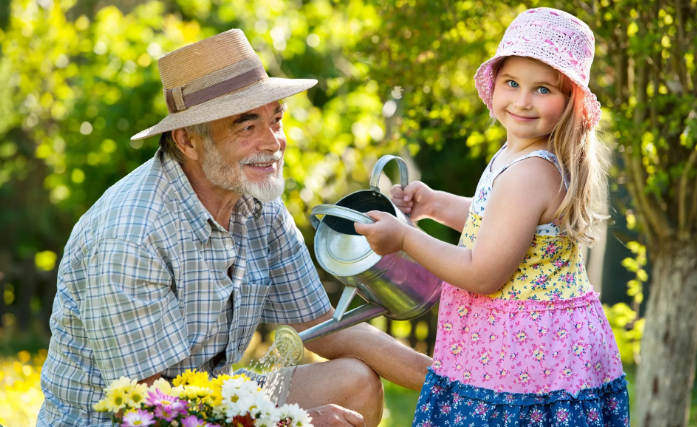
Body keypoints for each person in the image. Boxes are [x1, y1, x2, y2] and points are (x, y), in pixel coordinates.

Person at [37, 29, 431, 427]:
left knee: (355, 383)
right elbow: (151, 410)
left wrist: (453, 382)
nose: (274, 142)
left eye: (276, 119)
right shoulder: (132, 235)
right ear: (187, 141)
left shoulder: (258, 204)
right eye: (247, 127)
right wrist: (291, 423)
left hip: (208, 399)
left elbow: (320, 325)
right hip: (123, 418)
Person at [355, 8, 630, 426]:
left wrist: (406, 239)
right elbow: (500, 224)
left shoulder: (531, 173)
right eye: (513, 83)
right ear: (496, 83)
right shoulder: (519, 156)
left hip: (525, 362)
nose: (522, 100)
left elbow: (483, 272)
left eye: (542, 89)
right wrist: (433, 204)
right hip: (532, 349)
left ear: (570, 100)